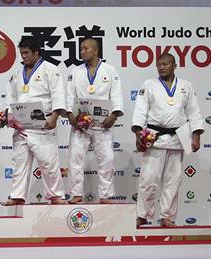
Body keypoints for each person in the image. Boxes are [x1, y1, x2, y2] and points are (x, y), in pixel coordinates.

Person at [132, 53, 204, 227]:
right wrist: (138, 133)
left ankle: (167, 217)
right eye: (159, 64)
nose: (161, 67)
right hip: (154, 137)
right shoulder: (149, 85)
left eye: (165, 64)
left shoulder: (186, 86)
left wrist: (196, 135)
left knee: (174, 180)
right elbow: (140, 110)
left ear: (174, 65)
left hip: (179, 137)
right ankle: (143, 215)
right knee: (148, 179)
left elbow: (194, 112)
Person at [0, 37, 67, 206]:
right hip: (21, 124)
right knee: (19, 162)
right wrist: (8, 115)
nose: (23, 56)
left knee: (48, 161)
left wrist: (55, 115)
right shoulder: (16, 75)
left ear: (36, 52)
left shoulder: (50, 70)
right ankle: (17, 196)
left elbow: (58, 94)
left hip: (42, 122)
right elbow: (10, 98)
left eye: (27, 53)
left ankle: (55, 195)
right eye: (21, 53)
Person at [66, 38, 124, 204]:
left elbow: (117, 95)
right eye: (81, 49)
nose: (82, 51)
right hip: (80, 124)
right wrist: (71, 117)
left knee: (107, 159)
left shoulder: (110, 70)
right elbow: (69, 98)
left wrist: (113, 116)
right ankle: (76, 193)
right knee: (75, 158)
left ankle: (106, 195)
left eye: (86, 48)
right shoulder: (75, 72)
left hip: (102, 123)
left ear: (96, 50)